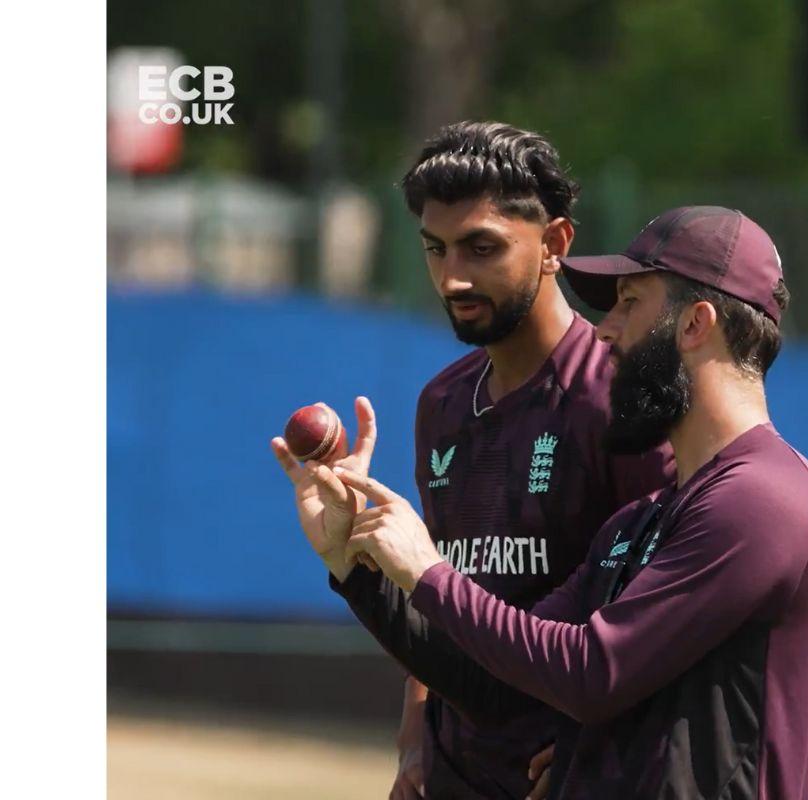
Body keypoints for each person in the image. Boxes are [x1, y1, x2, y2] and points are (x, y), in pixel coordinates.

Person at [295, 206, 808, 799]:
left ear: (695, 324)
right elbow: (496, 683)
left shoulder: (763, 498)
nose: (605, 329)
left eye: (630, 303)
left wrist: (428, 570)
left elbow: (593, 672)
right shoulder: (637, 524)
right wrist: (357, 568)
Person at [271, 121, 672, 800]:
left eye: (481, 248)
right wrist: (416, 730)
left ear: (555, 244)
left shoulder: (618, 396)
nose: (452, 277)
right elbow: (442, 584)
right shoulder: (444, 402)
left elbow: (661, 619)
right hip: (456, 771)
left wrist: (601, 752)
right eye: (435, 249)